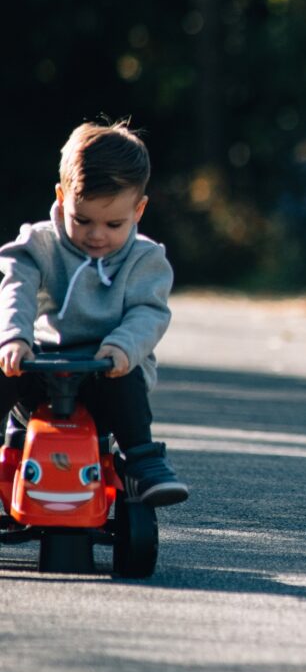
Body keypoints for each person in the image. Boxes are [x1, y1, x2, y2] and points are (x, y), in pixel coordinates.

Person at [0, 120, 188, 507]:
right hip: (40, 366)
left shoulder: (145, 260)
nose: (96, 235)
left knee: (126, 380)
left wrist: (122, 347)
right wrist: (15, 338)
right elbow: (16, 287)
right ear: (62, 197)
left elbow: (148, 312)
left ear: (138, 210)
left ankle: (142, 461)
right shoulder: (39, 244)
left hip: (105, 372)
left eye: (113, 224)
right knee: (3, 367)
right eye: (82, 220)